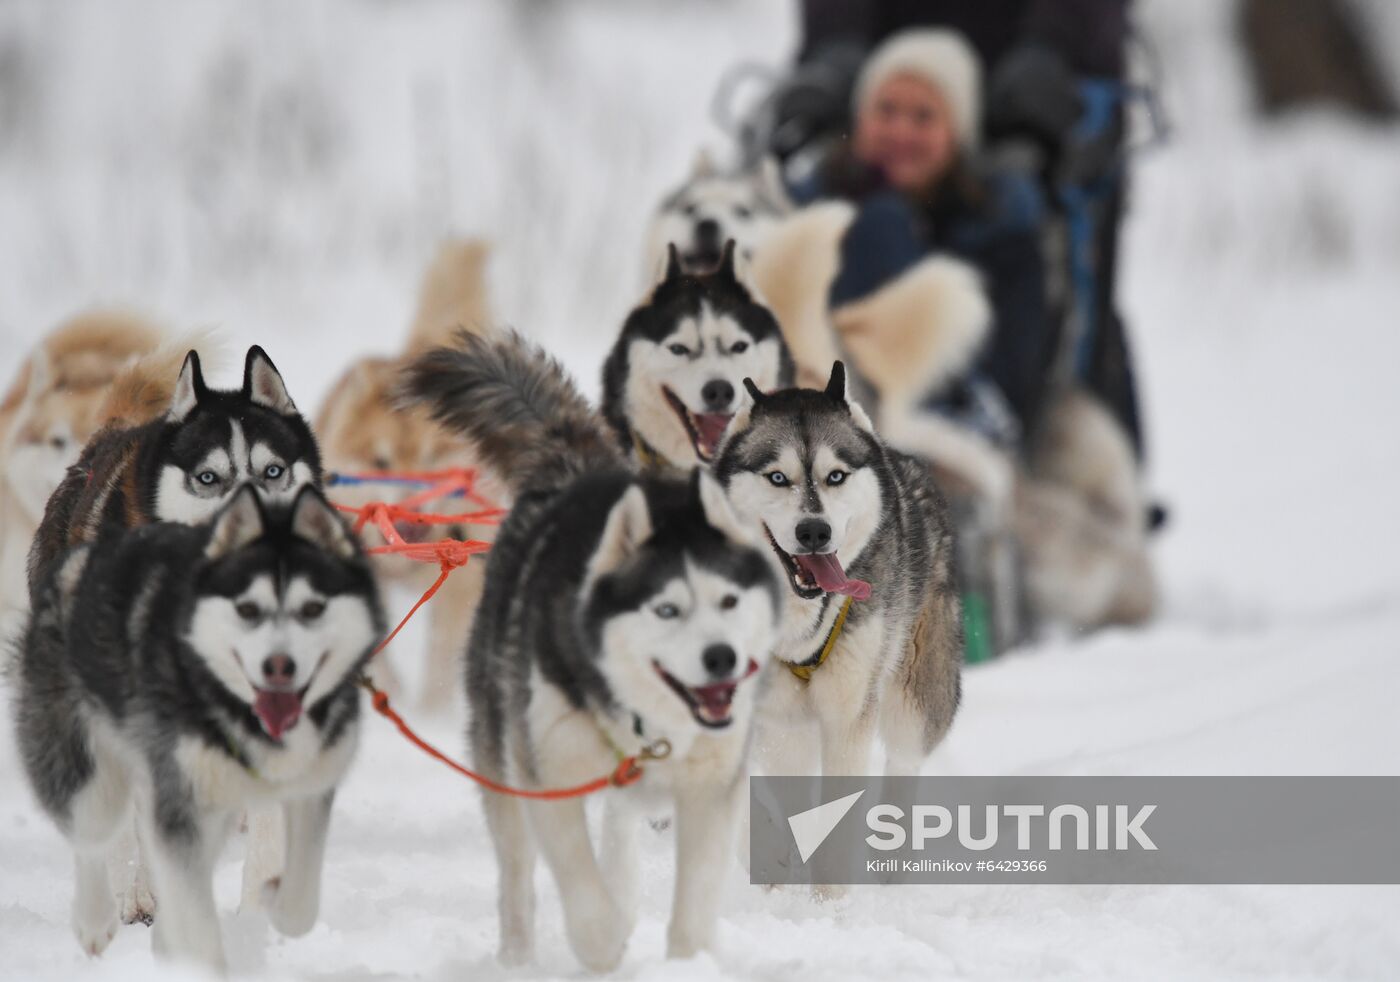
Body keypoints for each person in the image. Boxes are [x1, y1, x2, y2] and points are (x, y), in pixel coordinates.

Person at [791, 29, 1053, 450]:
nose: (900, 132)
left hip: (944, 423)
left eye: (923, 117)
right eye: (886, 110)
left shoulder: (999, 227)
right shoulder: (808, 203)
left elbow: (1016, 361)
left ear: (957, 133)